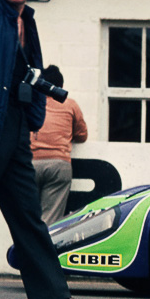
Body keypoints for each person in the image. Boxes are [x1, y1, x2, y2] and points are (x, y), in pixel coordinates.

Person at [0, 0, 91, 299]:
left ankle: (51, 298)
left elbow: (32, 71)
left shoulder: (28, 19)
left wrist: (33, 115)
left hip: (16, 123)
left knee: (28, 214)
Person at [30, 65, 87, 225]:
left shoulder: (32, 104)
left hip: (30, 164)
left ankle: (25, 249)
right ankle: (44, 249)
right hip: (58, 164)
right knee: (51, 221)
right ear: (60, 87)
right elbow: (82, 136)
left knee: (28, 218)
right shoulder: (70, 104)